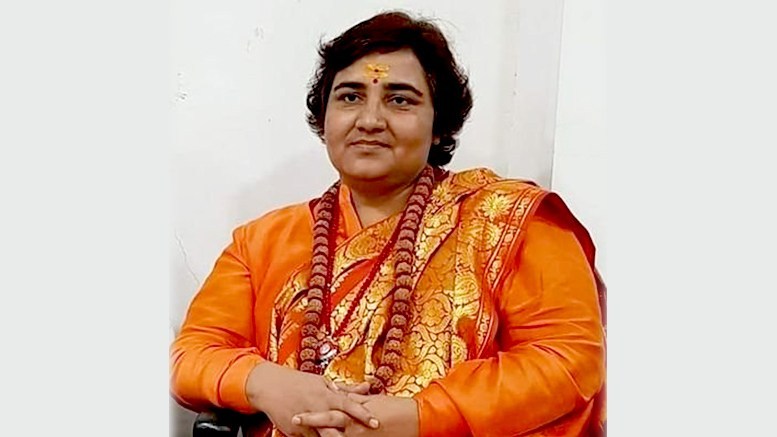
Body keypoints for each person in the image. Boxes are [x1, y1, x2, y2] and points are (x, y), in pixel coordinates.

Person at [171, 10, 606, 437]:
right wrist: (267, 384)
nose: (370, 120)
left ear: (439, 125)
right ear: (324, 118)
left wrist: (419, 418)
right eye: (350, 97)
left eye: (400, 99)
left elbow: (568, 358)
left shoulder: (511, 222)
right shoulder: (261, 242)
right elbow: (192, 356)